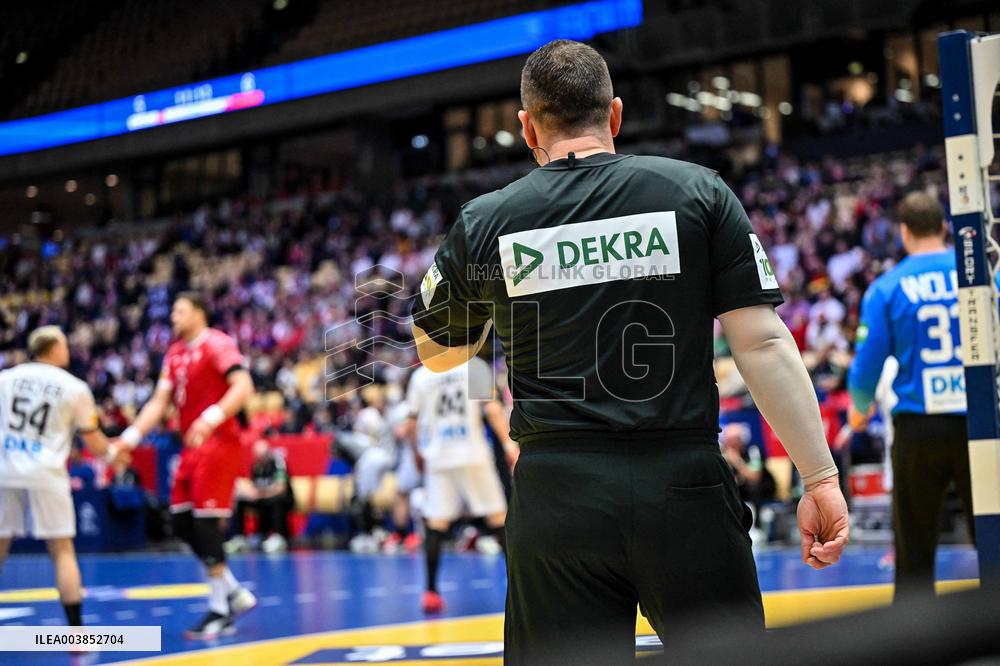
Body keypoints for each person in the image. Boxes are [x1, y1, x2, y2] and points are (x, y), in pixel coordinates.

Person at [410, 40, 849, 664]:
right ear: (614, 115)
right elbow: (764, 343)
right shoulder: (698, 192)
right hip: (684, 486)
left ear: (528, 128)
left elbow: (437, 354)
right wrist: (820, 477)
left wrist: (499, 300)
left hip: (556, 498)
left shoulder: (486, 221)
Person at [848, 191, 974, 600]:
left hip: (919, 426)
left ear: (904, 233)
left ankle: (917, 633)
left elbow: (866, 367)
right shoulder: (979, 276)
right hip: (980, 422)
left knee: (914, 550)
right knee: (992, 534)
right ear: (944, 227)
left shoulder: (887, 287)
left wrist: (859, 409)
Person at [112, 293, 257, 639]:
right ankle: (233, 591)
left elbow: (243, 385)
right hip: (191, 445)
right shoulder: (175, 353)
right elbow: (159, 401)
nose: (173, 316)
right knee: (179, 521)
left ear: (199, 313)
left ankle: (220, 610)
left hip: (218, 441)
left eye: (180, 311)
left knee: (206, 525)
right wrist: (130, 438)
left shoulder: (216, 344)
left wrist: (211, 417)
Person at [0, 326, 128, 628]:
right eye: (65, 344)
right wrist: (113, 454)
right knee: (61, 550)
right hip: (47, 472)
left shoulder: (5, 379)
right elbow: (92, 439)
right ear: (54, 348)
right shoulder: (74, 387)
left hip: (5, 469)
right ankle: (76, 634)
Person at [401, 355, 516, 613]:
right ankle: (519, 589)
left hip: (439, 457)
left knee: (436, 522)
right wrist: (509, 445)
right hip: (473, 454)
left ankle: (430, 592)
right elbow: (492, 409)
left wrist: (417, 453)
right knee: (498, 519)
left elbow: (410, 424)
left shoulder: (421, 376)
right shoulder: (475, 367)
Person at [227, 439, 291, 553]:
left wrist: (261, 494)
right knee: (241, 502)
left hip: (282, 499)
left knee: (276, 501)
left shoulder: (278, 464)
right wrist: (248, 493)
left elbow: (281, 489)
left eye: (263, 455)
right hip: (263, 499)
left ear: (268, 453)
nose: (261, 459)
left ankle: (278, 537)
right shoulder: (256, 466)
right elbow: (254, 485)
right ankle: (239, 537)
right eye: (258, 456)